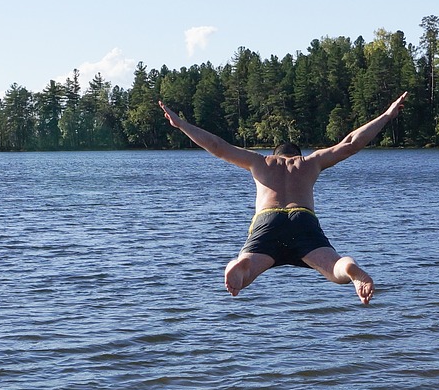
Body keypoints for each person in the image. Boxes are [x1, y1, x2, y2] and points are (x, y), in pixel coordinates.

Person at [158, 92, 407, 304]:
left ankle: (239, 267)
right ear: (297, 155)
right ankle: (350, 270)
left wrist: (182, 125)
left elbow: (217, 146)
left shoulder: (260, 162)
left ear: (275, 154)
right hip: (303, 220)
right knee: (333, 267)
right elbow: (351, 143)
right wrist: (387, 115)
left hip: (268, 221)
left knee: (248, 266)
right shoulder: (311, 162)